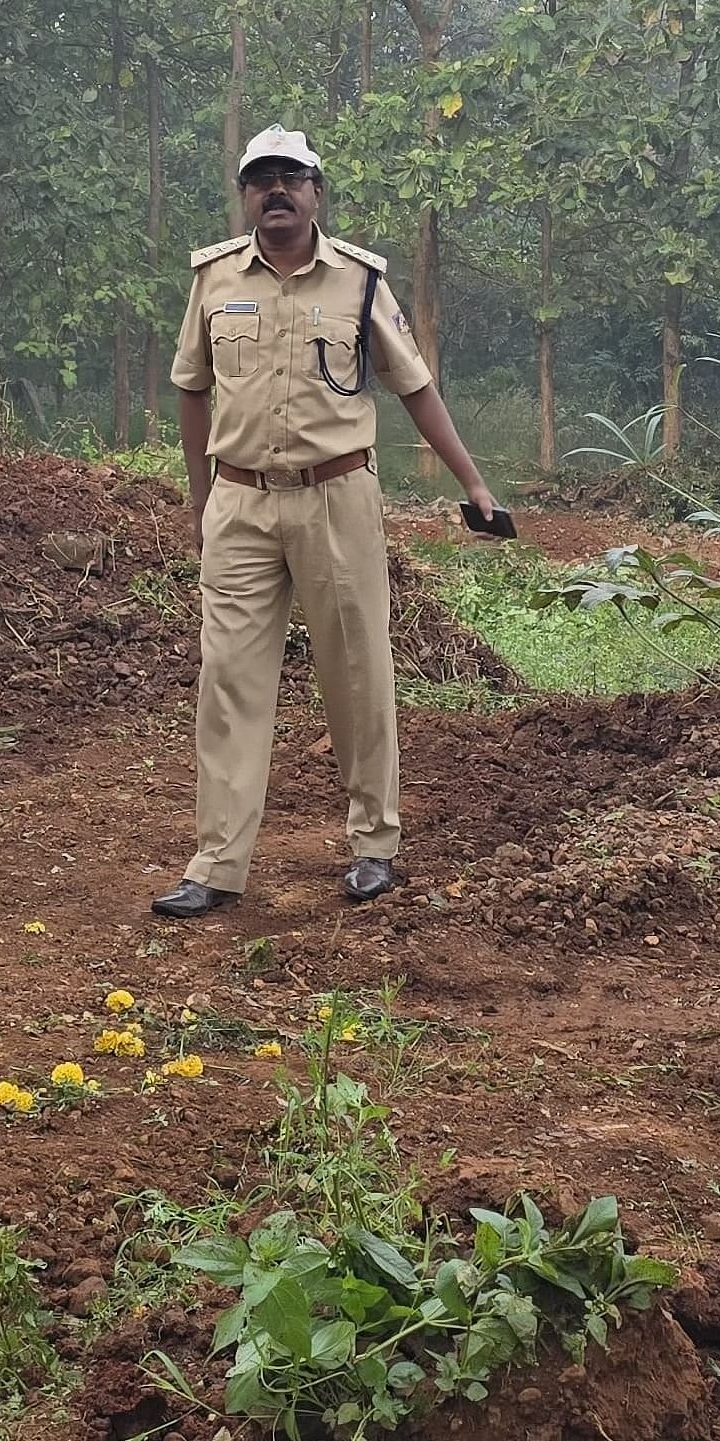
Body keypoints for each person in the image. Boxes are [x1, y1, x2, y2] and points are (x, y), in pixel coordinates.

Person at [153, 128, 506, 919]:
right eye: (259, 180)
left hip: (336, 499)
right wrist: (199, 499)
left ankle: (374, 845)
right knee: (229, 683)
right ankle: (216, 864)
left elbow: (414, 387)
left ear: (316, 191)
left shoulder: (360, 283)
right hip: (240, 503)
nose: (275, 191)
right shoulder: (212, 281)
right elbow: (191, 388)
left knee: (358, 673)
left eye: (291, 178)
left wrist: (474, 482)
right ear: (244, 195)